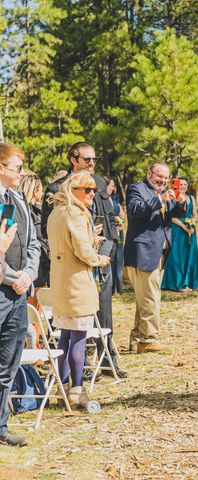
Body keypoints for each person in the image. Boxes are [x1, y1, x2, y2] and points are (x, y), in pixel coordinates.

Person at [42, 142, 125, 377]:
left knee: (104, 308)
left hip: (101, 253)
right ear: (73, 159)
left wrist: (105, 248)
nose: (91, 164)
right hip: (72, 261)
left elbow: (109, 220)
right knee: (73, 320)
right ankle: (82, 367)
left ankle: (107, 359)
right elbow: (49, 229)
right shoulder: (58, 187)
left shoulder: (98, 183)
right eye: (87, 159)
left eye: (94, 160)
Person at [48, 171, 111, 410]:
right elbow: (82, 251)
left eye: (94, 189)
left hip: (61, 281)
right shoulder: (74, 213)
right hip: (76, 283)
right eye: (87, 189)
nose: (92, 194)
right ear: (73, 190)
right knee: (78, 337)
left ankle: (62, 389)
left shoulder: (57, 211)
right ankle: (76, 389)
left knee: (65, 335)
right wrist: (99, 259)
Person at [0, 144, 40, 447]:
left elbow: (33, 243)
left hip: (18, 293)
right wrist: (13, 277)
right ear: (0, 166)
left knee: (8, 363)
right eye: (17, 167)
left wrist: (28, 274)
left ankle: (1, 426)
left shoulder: (17, 199)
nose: (22, 173)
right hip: (4, 287)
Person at [124, 162, 187, 354]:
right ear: (149, 173)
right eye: (160, 177)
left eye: (167, 179)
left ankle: (136, 339)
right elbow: (135, 210)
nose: (163, 181)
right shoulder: (137, 188)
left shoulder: (164, 193)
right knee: (151, 298)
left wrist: (180, 201)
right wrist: (159, 198)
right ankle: (147, 339)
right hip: (143, 252)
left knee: (145, 298)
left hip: (159, 252)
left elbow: (176, 213)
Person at [161, 178, 198, 291]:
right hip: (177, 229)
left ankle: (188, 282)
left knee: (189, 255)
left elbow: (195, 214)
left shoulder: (191, 198)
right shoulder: (173, 196)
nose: (182, 186)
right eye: (180, 184)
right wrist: (184, 226)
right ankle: (175, 283)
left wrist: (192, 225)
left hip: (190, 230)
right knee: (176, 256)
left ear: (187, 186)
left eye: (185, 184)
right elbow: (171, 216)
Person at [19, 173, 49, 288]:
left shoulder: (20, 210)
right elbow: (42, 241)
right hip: (37, 268)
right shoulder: (34, 213)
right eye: (41, 190)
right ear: (35, 191)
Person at [104, 176, 125, 295]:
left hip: (119, 233)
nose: (113, 187)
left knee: (119, 259)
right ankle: (111, 288)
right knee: (111, 260)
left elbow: (122, 214)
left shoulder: (114, 200)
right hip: (109, 234)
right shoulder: (103, 201)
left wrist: (121, 223)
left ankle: (119, 286)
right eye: (111, 185)